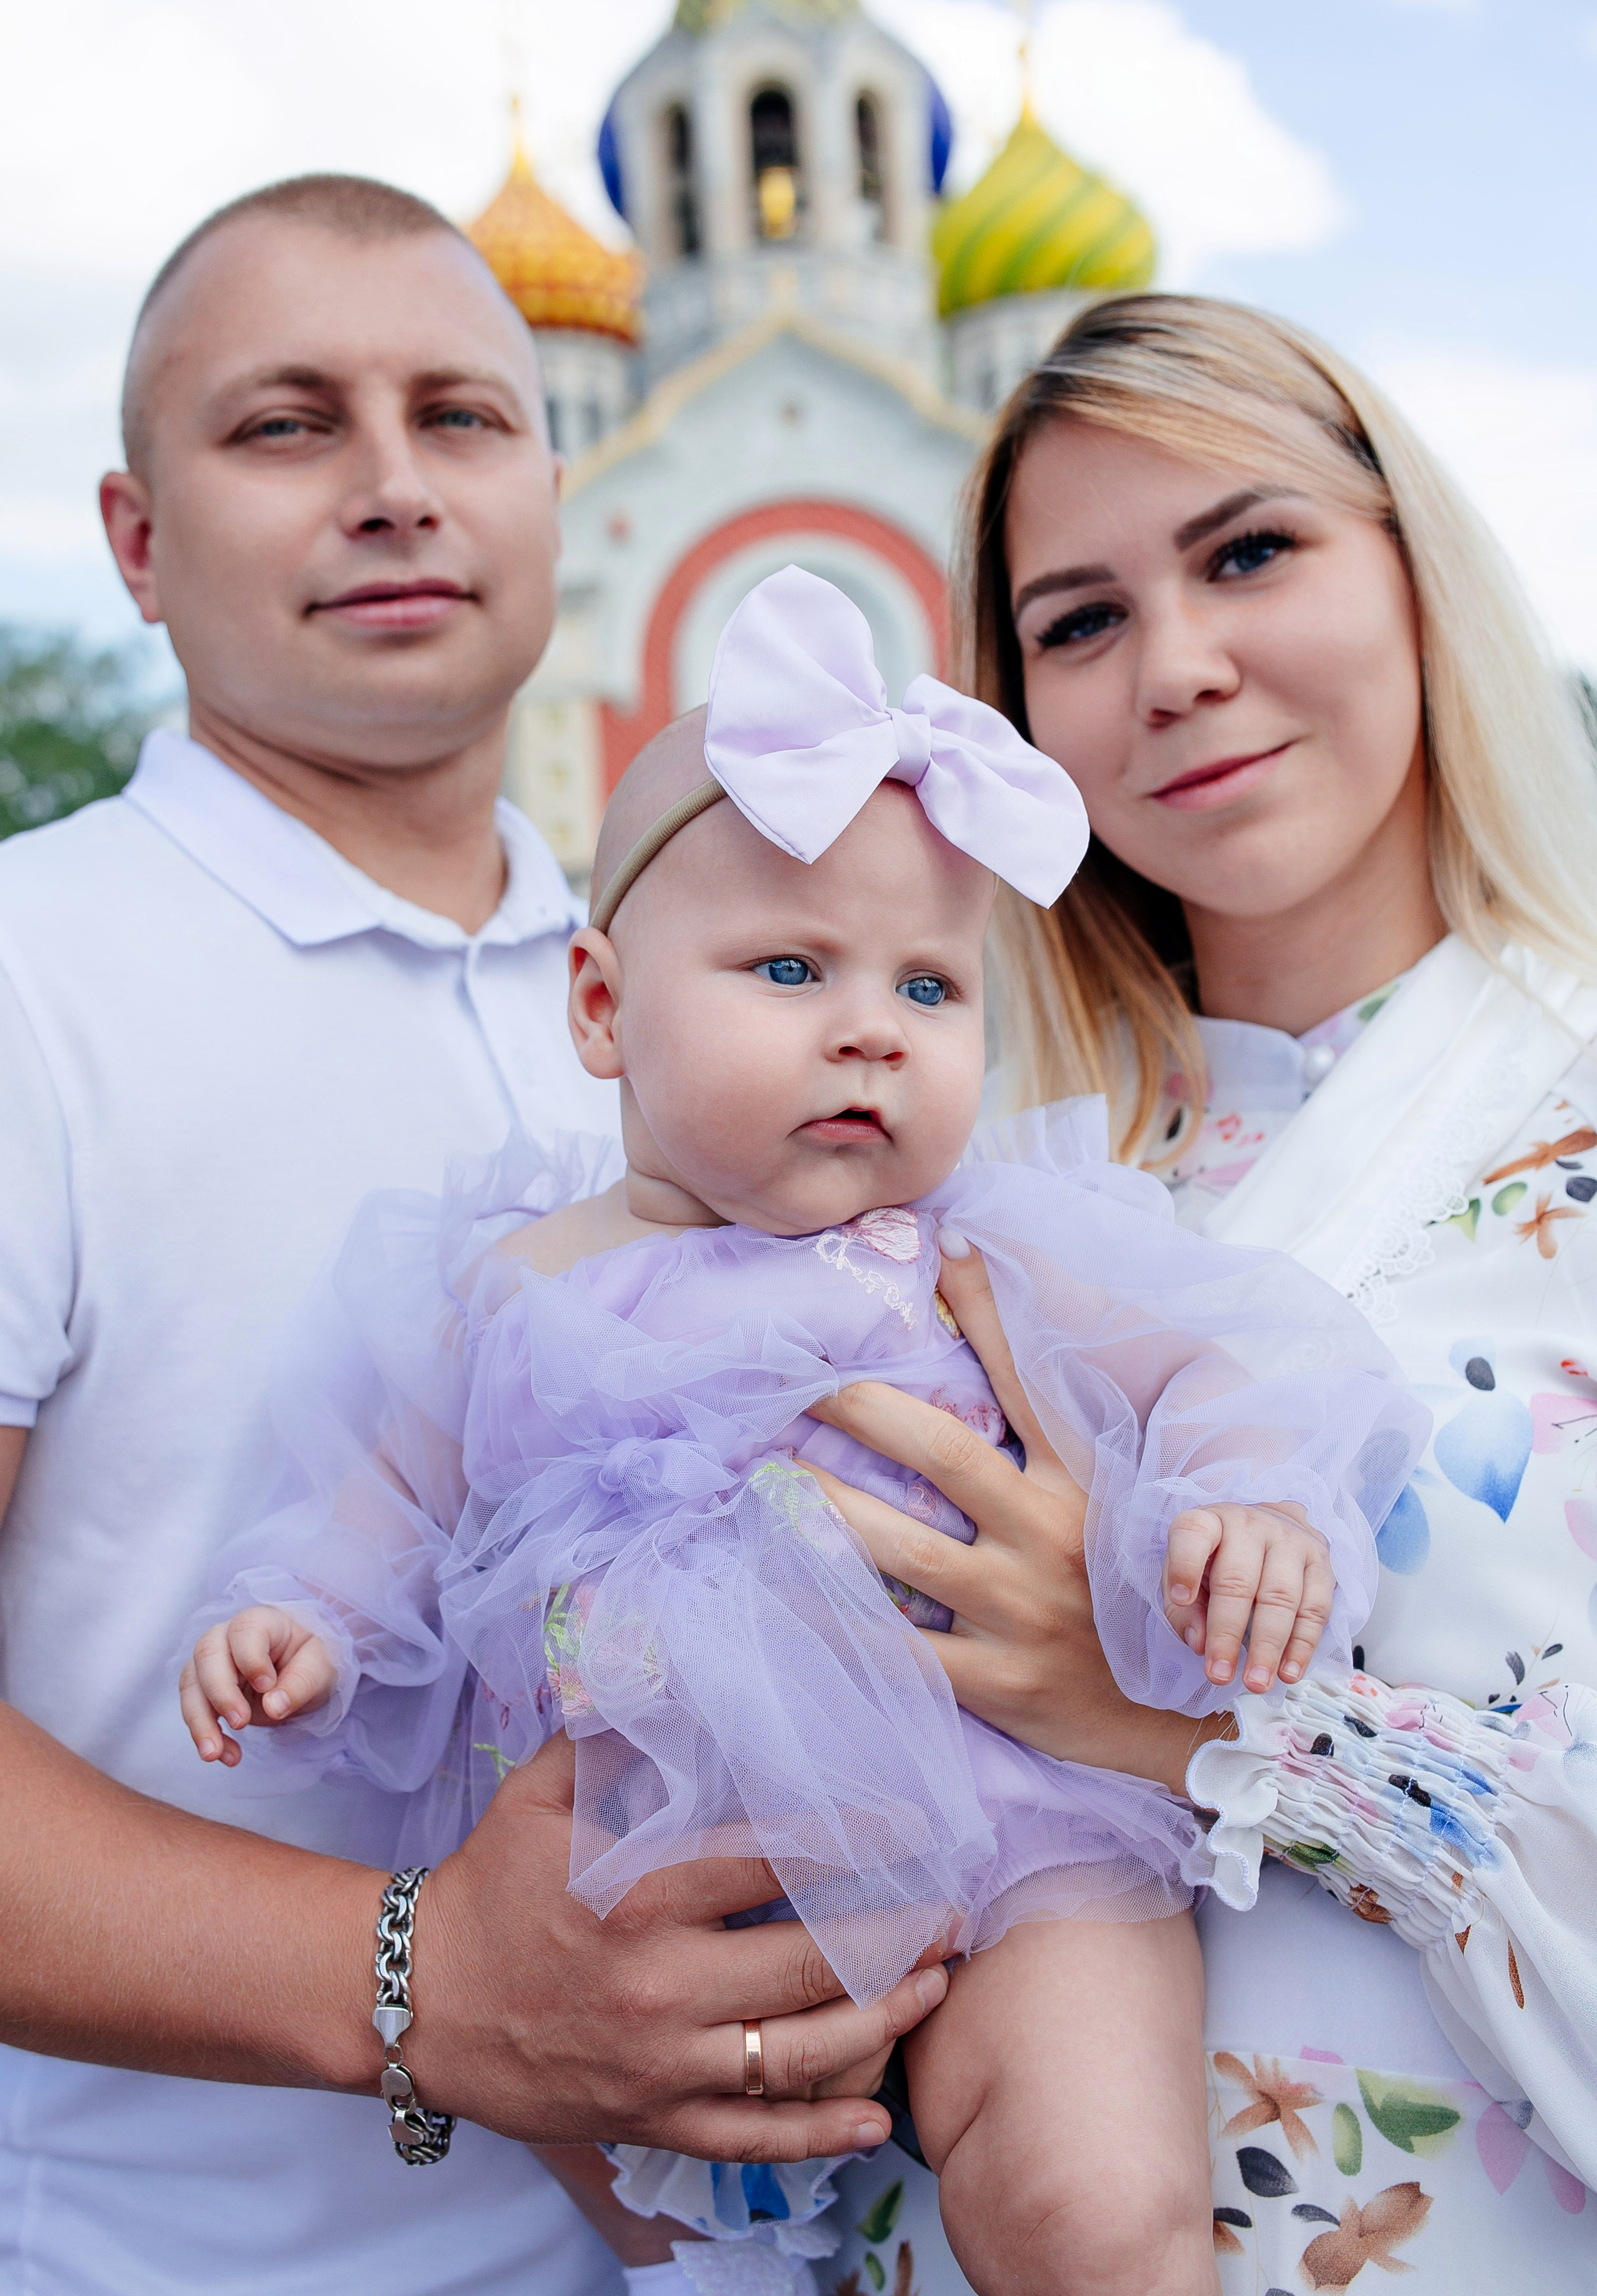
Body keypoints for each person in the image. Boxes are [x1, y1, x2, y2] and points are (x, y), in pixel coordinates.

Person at [185, 565, 1424, 2296]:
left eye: (931, 988)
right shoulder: (522, 1282)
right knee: (643, 2198)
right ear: (605, 1006)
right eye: (789, 965)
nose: (870, 1026)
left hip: (1017, 1839)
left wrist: (1246, 1498)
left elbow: (1228, 1357)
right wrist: (305, 1621)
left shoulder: (984, 1245)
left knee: (1083, 2201)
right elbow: (394, 1491)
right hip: (658, 1891)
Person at [0, 178, 943, 2296]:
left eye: (463, 415)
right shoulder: (29, 980)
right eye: (285, 426)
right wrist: (417, 1976)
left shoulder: (752, 993)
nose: (396, 488)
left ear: (557, 478)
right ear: (136, 544)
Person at [798, 294, 1597, 2294]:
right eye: (1078, 622)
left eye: (1250, 552)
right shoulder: (963, 1197)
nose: (1178, 668)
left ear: (1413, 571)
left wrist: (1202, 1720)